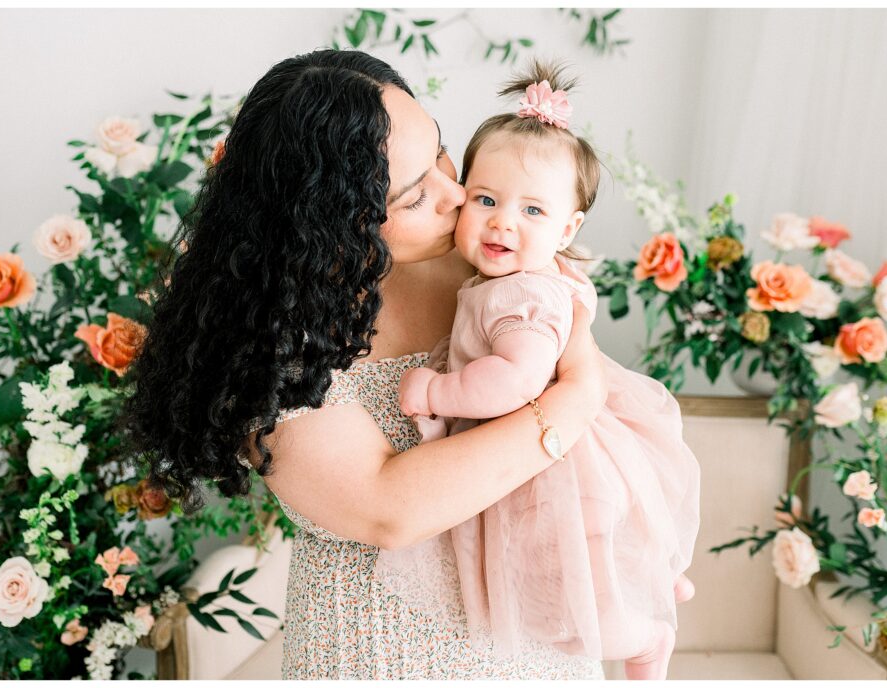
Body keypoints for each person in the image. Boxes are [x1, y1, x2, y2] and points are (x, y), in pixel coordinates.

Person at [124, 49, 611, 679]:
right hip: (382, 648)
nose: (457, 193)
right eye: (414, 197)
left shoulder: (479, 248)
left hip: (526, 621)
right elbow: (389, 508)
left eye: (439, 155)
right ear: (332, 221)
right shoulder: (268, 337)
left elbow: (567, 321)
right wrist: (572, 401)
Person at [391, 60, 701, 680]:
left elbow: (515, 380)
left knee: (558, 588)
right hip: (571, 455)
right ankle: (654, 575)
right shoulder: (522, 277)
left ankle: (640, 637)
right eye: (486, 199)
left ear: (568, 227)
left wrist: (437, 388)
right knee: (580, 560)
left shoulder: (519, 297)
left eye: (533, 211)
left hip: (558, 466)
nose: (503, 221)